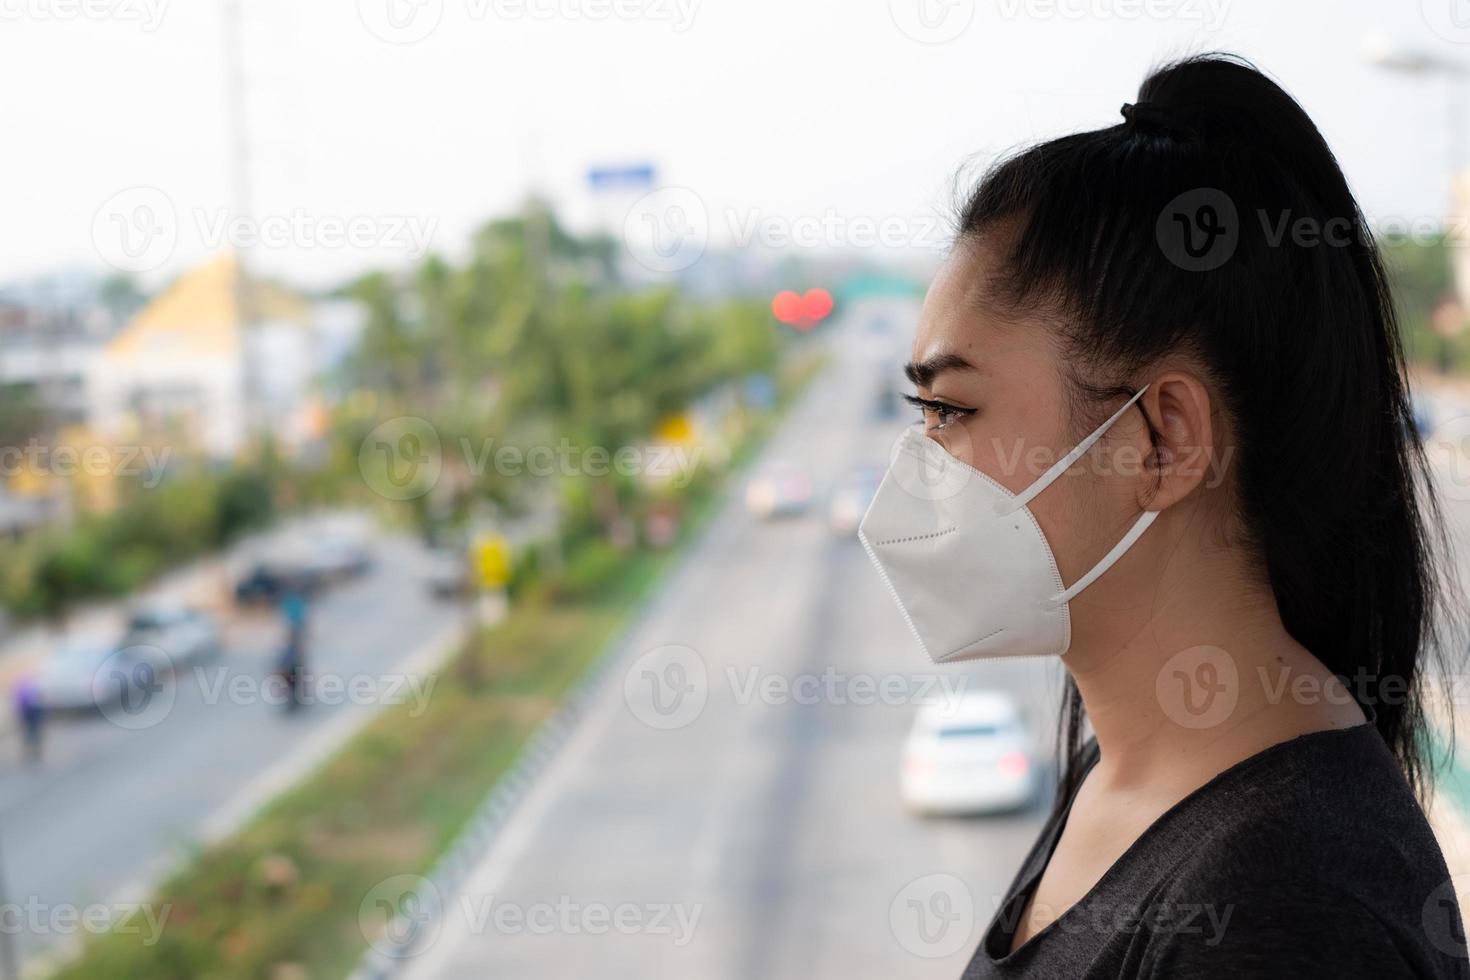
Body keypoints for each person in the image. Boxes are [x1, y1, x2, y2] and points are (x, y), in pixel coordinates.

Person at [858, 55, 1468, 977]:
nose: (918, 467)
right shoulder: (1127, 768)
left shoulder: (1287, 909)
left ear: (1164, 440)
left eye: (952, 412)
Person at [13, 675, 43, 765]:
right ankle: (34, 750)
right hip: (32, 712)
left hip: (28, 712)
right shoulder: (33, 687)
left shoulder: (22, 689)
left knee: (29, 732)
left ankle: (31, 750)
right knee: (33, 732)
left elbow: (18, 703)